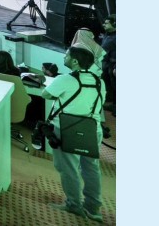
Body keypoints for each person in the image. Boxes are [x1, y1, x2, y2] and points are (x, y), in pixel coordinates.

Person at [42, 47, 106, 222]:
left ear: (75, 61)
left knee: (69, 168)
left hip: (66, 129)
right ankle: (93, 208)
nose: (64, 57)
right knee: (91, 168)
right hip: (93, 130)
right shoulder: (99, 81)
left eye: (67, 56)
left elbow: (46, 94)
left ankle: (73, 205)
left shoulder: (64, 79)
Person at [100, 15, 116, 111]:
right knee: (109, 85)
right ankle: (111, 102)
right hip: (107, 64)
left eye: (106, 23)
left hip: (113, 65)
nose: (104, 25)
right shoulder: (107, 34)